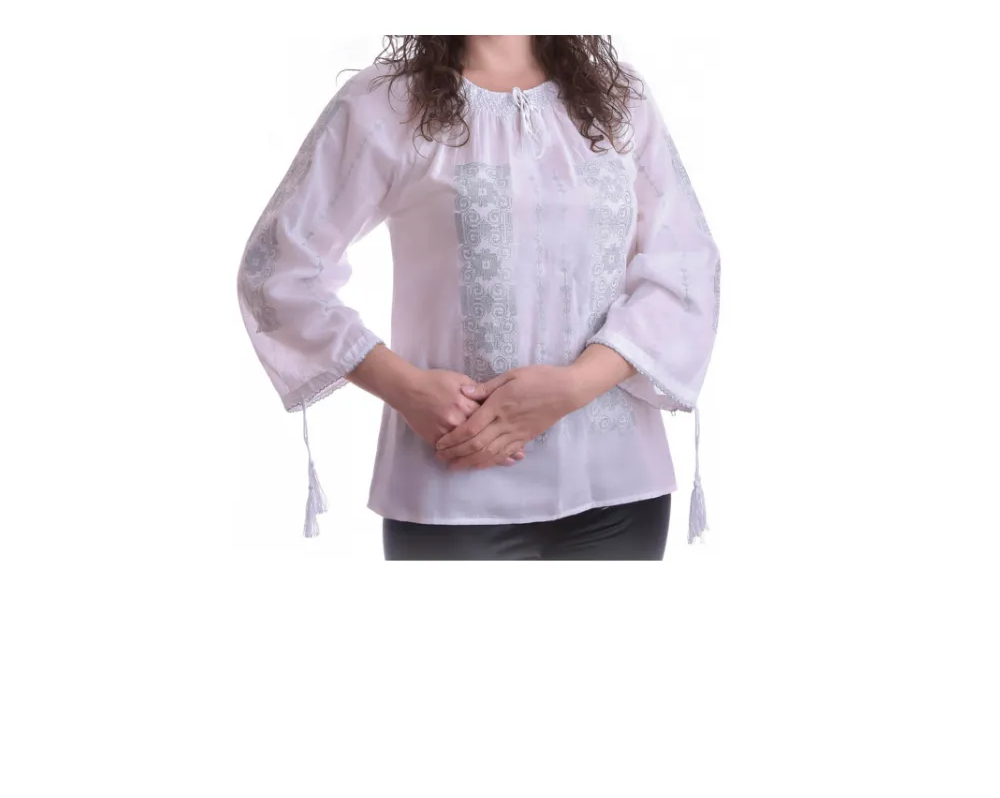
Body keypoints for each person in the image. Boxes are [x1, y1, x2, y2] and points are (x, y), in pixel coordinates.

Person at [236, 35, 721, 560]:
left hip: (619, 490)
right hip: (452, 481)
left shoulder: (619, 98)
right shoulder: (386, 105)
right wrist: (407, 389)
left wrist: (574, 386)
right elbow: (277, 269)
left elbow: (686, 266)